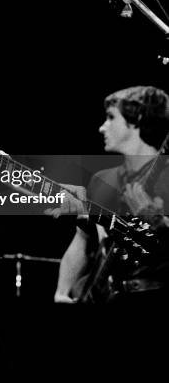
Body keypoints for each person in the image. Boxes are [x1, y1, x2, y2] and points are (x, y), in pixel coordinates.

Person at [54, 85, 169, 305]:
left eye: (110, 118)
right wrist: (62, 291)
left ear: (137, 119)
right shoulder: (102, 179)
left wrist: (157, 223)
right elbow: (83, 241)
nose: (102, 127)